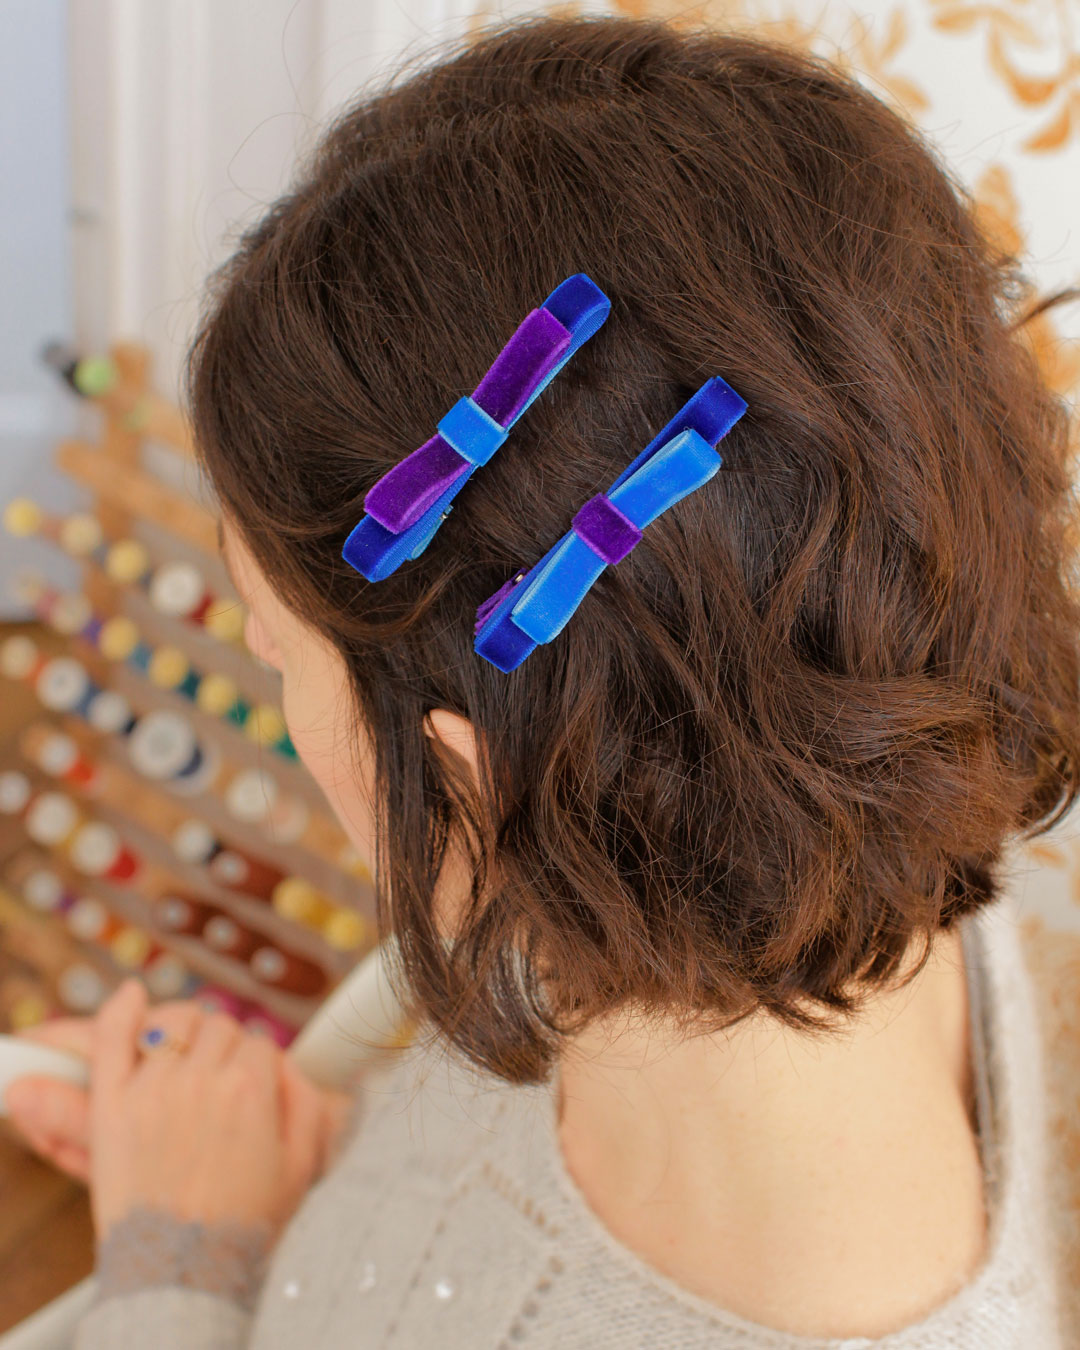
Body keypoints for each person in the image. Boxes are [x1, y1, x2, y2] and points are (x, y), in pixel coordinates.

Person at [6, 13, 1080, 1347]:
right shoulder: (859, 789)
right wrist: (265, 1163)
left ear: (481, 781)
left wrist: (176, 1267)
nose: (271, 680)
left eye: (274, 649)